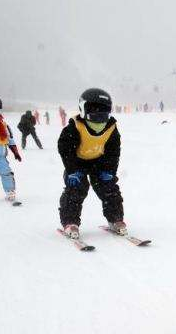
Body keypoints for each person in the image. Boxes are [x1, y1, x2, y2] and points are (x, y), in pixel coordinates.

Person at [57, 88, 126, 239]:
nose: (99, 119)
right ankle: (70, 221)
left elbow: (114, 151)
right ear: (83, 110)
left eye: (103, 114)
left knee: (109, 188)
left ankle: (115, 218)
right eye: (94, 113)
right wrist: (72, 169)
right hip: (77, 163)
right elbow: (65, 148)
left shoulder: (111, 129)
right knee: (76, 188)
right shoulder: (75, 127)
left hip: (99, 163)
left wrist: (109, 171)